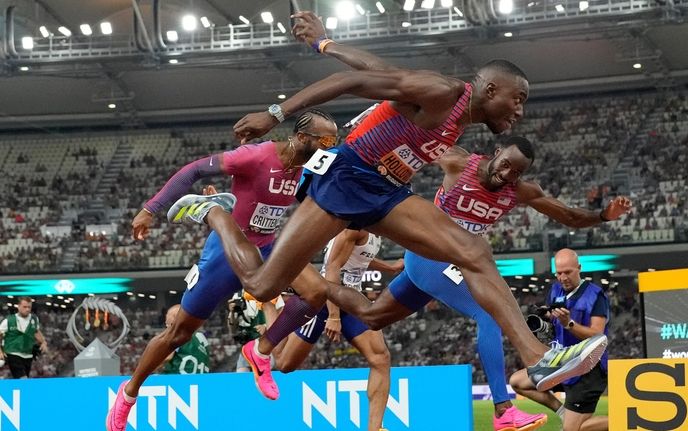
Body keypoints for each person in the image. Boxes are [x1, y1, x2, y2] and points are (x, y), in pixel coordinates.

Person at [168, 13, 605, 401]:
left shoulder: (448, 108)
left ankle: (539, 357)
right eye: (518, 99)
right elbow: (351, 84)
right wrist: (275, 112)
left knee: (473, 250)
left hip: (386, 190)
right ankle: (214, 214)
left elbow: (381, 72)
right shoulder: (442, 92)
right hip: (345, 179)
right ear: (490, 89)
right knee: (262, 286)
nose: (521, 112)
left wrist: (326, 43)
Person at [323, 137, 631, 431]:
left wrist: (603, 215)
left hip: (448, 264)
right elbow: (416, 142)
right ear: (497, 152)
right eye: (506, 164)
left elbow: (569, 215)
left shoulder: (520, 190)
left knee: (374, 317)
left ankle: (319, 289)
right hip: (428, 256)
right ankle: (503, 410)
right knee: (488, 312)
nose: (507, 174)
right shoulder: (459, 163)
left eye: (516, 172)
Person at [106, 110, 338, 431]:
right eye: (325, 140)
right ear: (300, 138)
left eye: (333, 141)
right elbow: (194, 170)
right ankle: (128, 394)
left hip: (268, 246)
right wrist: (151, 209)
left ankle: (261, 351)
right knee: (179, 333)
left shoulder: (309, 167)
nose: (330, 147)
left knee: (316, 293)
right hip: (224, 253)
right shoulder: (256, 156)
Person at [267, 229, 401, 431]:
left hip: (351, 299)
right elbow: (332, 268)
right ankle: (270, 305)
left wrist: (389, 267)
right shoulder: (354, 228)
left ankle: (375, 428)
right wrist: (334, 315)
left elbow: (360, 258)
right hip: (323, 300)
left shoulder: (374, 228)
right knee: (284, 363)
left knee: (380, 358)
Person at [509, 249, 610, 431]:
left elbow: (598, 336)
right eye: (559, 273)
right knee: (517, 381)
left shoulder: (595, 295)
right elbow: (553, 324)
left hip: (588, 369)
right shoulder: (555, 290)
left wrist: (568, 323)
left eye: (568, 272)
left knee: (574, 430)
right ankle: (563, 412)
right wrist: (545, 318)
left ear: (579, 268)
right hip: (561, 362)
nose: (563, 277)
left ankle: (625, 419)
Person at [227, 290, 282, 372]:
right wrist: (231, 312)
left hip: (266, 345)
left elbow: (283, 316)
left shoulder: (271, 290)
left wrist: (266, 327)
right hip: (247, 345)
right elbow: (232, 329)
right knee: (241, 375)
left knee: (263, 374)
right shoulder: (238, 296)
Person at [0, 297, 48, 378]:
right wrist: (0, 351)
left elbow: (36, 331)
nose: (27, 309)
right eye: (24, 307)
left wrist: (43, 342)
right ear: (18, 306)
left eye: (29, 307)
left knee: (23, 381)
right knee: (23, 379)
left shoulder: (34, 319)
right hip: (13, 353)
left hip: (28, 355)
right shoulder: (8, 321)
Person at [159, 305, 210, 374]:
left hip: (177, 380)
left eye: (167, 318)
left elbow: (167, 357)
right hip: (200, 381)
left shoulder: (177, 333)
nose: (166, 323)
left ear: (176, 318)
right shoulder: (201, 338)